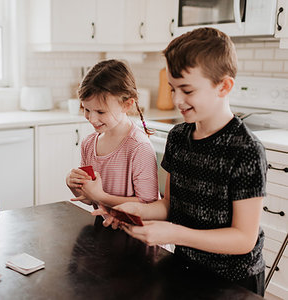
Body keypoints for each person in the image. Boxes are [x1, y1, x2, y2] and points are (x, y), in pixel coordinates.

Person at [94, 28, 267, 296]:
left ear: (224, 86)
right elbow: (169, 206)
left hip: (233, 282)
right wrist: (132, 210)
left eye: (187, 90)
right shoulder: (178, 137)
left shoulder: (245, 150)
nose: (176, 100)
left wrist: (174, 234)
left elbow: (244, 239)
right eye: (172, 89)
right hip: (185, 266)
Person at [65, 59, 159, 208]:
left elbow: (149, 205)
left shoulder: (139, 147)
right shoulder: (89, 144)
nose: (92, 118)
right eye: (86, 109)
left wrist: (102, 197)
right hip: (104, 226)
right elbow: (90, 199)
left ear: (127, 105)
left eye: (101, 111)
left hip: (134, 231)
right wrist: (73, 185)